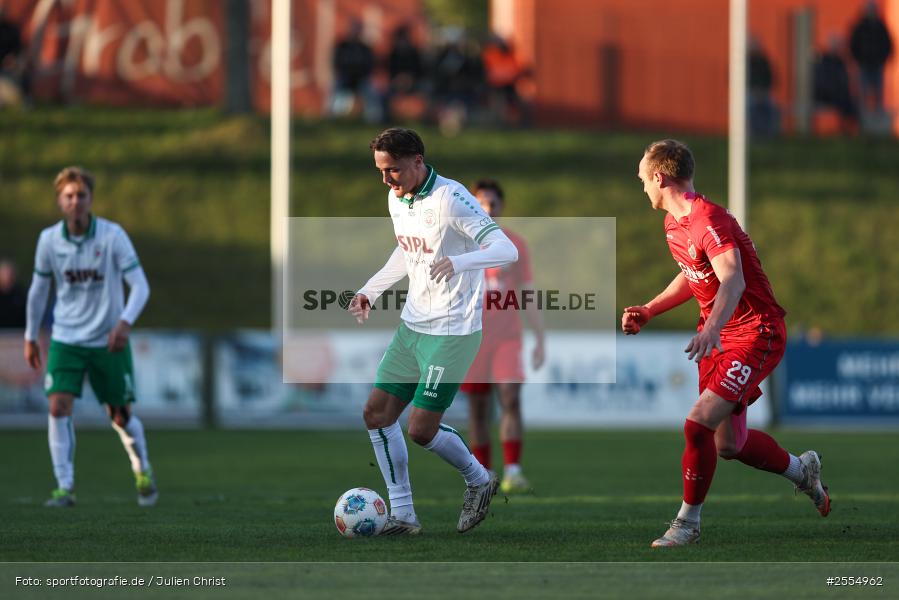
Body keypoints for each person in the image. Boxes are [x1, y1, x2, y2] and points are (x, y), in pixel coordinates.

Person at [622, 140, 830, 548]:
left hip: (755, 332)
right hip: (722, 336)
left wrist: (712, 327)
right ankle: (801, 471)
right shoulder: (674, 224)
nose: (642, 186)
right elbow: (693, 274)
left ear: (659, 177)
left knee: (696, 424)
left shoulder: (707, 219)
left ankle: (687, 524)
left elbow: (732, 278)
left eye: (643, 178)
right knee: (729, 444)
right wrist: (650, 309)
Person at [350, 128, 518, 534]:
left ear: (417, 161)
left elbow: (505, 249)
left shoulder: (451, 198)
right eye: (381, 171)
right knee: (376, 413)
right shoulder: (396, 198)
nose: (386, 180)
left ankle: (479, 479)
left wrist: (459, 263)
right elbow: (407, 251)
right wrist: (371, 290)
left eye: (392, 170)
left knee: (421, 429)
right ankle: (403, 514)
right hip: (413, 326)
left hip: (452, 332)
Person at [24, 167, 156, 508]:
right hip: (66, 337)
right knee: (58, 406)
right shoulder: (48, 240)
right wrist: (29, 335)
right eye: (68, 196)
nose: (75, 202)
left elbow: (140, 286)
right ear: (59, 201)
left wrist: (124, 323)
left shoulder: (112, 236)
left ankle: (142, 468)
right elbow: (39, 290)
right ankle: (64, 486)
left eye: (81, 195)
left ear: (90, 199)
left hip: (107, 339)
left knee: (120, 417)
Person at [459, 179, 545, 494]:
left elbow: (528, 292)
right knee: (478, 408)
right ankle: (482, 474)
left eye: (493, 204)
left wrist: (540, 338)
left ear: (501, 207)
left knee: (510, 396)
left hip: (507, 335)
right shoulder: (459, 243)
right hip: (471, 336)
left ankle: (513, 470)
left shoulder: (514, 245)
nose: (488, 209)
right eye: (481, 203)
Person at [849, 1, 893, 118]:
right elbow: (853, 45)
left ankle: (877, 119)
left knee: (878, 93)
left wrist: (883, 59)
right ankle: (864, 119)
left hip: (877, 65)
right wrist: (859, 60)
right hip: (864, 65)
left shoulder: (880, 26)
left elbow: (888, 44)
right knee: (863, 93)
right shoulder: (859, 27)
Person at [0, 258, 27, 328]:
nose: (8, 277)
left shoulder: (20, 294)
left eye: (10, 274)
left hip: (17, 334)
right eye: (5, 274)